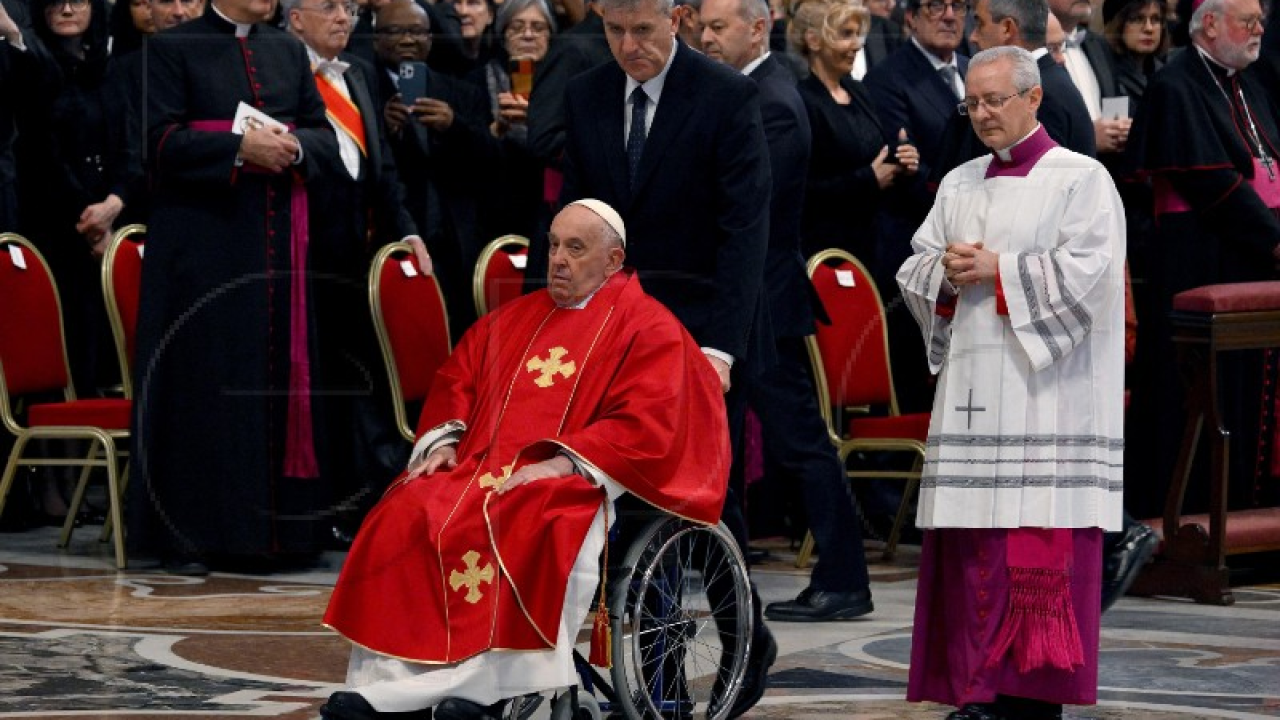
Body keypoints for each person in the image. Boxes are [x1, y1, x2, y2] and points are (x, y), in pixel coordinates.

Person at [320, 199, 730, 720]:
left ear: (613, 260)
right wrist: (443, 443)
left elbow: (648, 419)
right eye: (554, 244)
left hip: (575, 476)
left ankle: (482, 693)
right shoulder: (513, 318)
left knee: (527, 513)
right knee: (407, 508)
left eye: (575, 249)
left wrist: (564, 463)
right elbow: (457, 382)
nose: (557, 259)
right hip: (478, 467)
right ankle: (383, 693)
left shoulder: (648, 328)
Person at [553, 0, 774, 713]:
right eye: (614, 31)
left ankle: (746, 640)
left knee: (709, 499)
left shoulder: (728, 95)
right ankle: (660, 679)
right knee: (629, 504)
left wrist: (718, 350)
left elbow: (745, 234)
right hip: (615, 336)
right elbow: (569, 224)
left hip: (704, 333)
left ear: (674, 18)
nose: (628, 46)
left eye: (642, 30)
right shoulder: (586, 94)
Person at [898, 46, 1126, 720]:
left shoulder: (1081, 180)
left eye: (996, 100)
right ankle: (976, 690)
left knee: (1026, 548)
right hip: (973, 395)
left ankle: (1027, 695)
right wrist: (942, 272)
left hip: (1044, 400)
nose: (982, 114)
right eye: (972, 102)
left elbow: (1092, 277)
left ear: (1033, 99)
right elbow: (913, 266)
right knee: (972, 552)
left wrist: (1001, 270)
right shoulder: (960, 181)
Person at [130, 0, 341, 574]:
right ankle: (197, 534)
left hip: (277, 255)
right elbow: (154, 143)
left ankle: (279, 535)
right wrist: (237, 149)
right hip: (203, 252)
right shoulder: (171, 48)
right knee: (206, 385)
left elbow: (322, 133)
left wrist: (295, 148)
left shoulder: (286, 50)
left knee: (272, 382)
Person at [700, 0, 876, 625]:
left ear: (757, 28)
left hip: (765, 301)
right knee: (731, 437)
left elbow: (747, 211)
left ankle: (844, 577)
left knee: (799, 440)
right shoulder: (752, 91)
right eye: (703, 25)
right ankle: (729, 565)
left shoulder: (770, 99)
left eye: (718, 27)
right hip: (748, 300)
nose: (705, 37)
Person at [282, 0, 430, 548]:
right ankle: (327, 507)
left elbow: (382, 170)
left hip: (356, 258)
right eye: (329, 7)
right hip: (300, 256)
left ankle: (365, 502)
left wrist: (408, 230)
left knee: (358, 385)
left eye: (348, 8)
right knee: (319, 390)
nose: (343, 17)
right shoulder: (280, 70)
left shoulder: (359, 75)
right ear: (295, 18)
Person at [1124, 0, 1280, 521]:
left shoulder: (1248, 83)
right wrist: (1274, 239)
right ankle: (1192, 514)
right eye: (1247, 20)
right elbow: (1211, 181)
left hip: (1249, 258)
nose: (1259, 29)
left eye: (1260, 20)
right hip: (1202, 258)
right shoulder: (1176, 85)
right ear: (1209, 24)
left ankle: (1249, 506)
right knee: (1197, 395)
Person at [372, 0, 495, 338]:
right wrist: (384, 128)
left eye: (417, 31)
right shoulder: (365, 90)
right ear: (375, 39)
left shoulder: (461, 91)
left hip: (455, 242)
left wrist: (454, 125)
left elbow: (489, 160)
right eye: (396, 31)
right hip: (390, 238)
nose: (408, 40)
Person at [792, 0, 918, 264]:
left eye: (857, 34)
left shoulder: (857, 91)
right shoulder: (802, 101)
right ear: (814, 41)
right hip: (830, 252)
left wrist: (901, 159)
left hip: (874, 242)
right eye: (845, 34)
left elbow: (875, 150)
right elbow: (803, 190)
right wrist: (868, 179)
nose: (857, 45)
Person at [472, 0, 557, 241]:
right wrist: (496, 130)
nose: (528, 35)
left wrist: (538, 122)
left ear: (551, 35)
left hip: (548, 209)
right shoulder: (477, 81)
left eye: (538, 27)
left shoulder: (565, 85)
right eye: (517, 27)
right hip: (494, 209)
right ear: (502, 34)